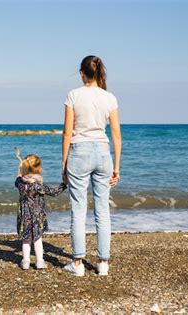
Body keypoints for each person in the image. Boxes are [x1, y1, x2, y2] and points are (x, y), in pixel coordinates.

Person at [61, 55, 122, 276]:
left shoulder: (73, 95)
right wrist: (117, 166)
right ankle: (103, 262)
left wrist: (63, 163)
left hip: (79, 151)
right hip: (103, 153)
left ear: (82, 73)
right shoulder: (110, 98)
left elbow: (67, 132)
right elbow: (116, 134)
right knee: (102, 210)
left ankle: (78, 263)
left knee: (78, 210)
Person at [14, 152, 67, 270]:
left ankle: (25, 262)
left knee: (26, 239)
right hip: (37, 216)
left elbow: (17, 179)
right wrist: (64, 184)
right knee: (37, 239)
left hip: (24, 215)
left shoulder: (20, 183)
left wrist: (20, 172)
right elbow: (54, 192)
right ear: (38, 169)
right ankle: (39, 261)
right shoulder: (38, 186)